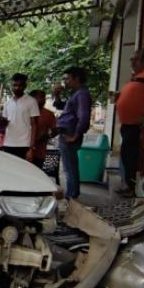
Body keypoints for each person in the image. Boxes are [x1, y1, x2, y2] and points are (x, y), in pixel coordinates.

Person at [113, 49, 144, 197]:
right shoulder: (135, 76)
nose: (132, 61)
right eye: (131, 59)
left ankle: (131, 188)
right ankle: (128, 185)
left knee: (131, 156)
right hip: (127, 124)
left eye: (136, 59)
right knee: (126, 156)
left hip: (135, 124)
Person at [55, 67, 93, 199]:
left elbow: (84, 117)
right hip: (67, 132)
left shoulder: (81, 94)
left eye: (67, 78)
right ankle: (72, 194)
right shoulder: (76, 93)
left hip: (69, 133)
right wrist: (57, 95)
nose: (65, 81)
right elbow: (62, 107)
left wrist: (75, 135)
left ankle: (71, 196)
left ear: (76, 78)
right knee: (69, 167)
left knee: (69, 168)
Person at [0, 74, 40, 160]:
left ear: (25, 86)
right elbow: (4, 126)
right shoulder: (7, 103)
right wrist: (2, 121)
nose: (17, 88)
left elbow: (34, 125)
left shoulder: (31, 101)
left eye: (20, 85)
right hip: (8, 143)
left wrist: (31, 148)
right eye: (15, 85)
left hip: (24, 144)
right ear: (11, 85)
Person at [29, 89, 57, 169]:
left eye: (44, 98)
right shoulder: (25, 111)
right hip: (24, 149)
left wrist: (47, 136)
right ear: (32, 99)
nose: (43, 100)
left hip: (40, 152)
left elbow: (55, 130)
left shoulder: (49, 114)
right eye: (40, 97)